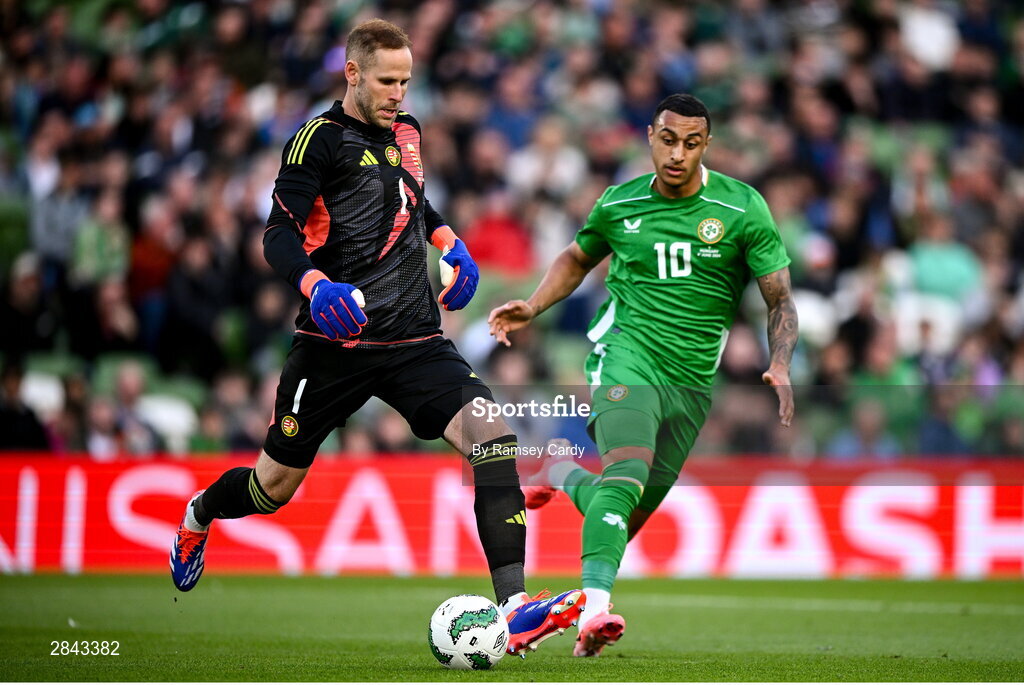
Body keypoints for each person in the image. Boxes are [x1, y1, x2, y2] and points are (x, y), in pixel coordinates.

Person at [170, 19, 583, 656]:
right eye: (388, 80)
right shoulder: (317, 140)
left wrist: (448, 242)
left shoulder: (409, 132)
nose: (399, 93)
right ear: (353, 73)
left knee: (493, 440)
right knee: (271, 488)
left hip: (414, 338)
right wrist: (314, 286)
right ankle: (199, 514)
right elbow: (277, 234)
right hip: (333, 344)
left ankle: (517, 608)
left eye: (407, 81)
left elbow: (414, 202)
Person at [488, 94, 798, 657]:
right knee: (627, 474)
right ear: (650, 136)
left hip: (692, 385)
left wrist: (780, 362)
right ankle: (594, 612)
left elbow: (778, 298)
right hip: (625, 358)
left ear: (707, 144)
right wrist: (533, 306)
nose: (677, 153)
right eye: (667, 139)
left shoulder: (741, 208)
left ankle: (559, 467)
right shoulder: (618, 204)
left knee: (622, 511)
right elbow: (576, 259)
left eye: (692, 142)